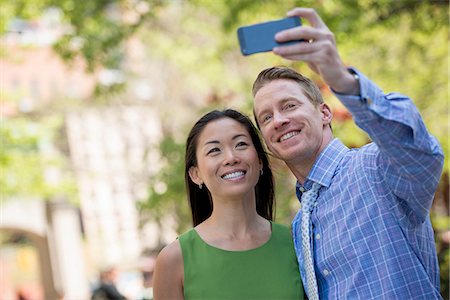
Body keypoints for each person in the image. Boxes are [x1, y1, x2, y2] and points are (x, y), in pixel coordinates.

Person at [251, 7, 444, 300]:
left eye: (289, 106)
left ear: (325, 113)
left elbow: (419, 152)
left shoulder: (375, 167)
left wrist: (341, 79)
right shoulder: (300, 225)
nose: (278, 120)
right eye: (266, 117)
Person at [153, 109, 304, 300]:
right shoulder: (173, 259)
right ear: (195, 174)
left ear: (260, 162)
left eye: (240, 144)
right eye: (214, 150)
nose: (231, 157)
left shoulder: (295, 243)